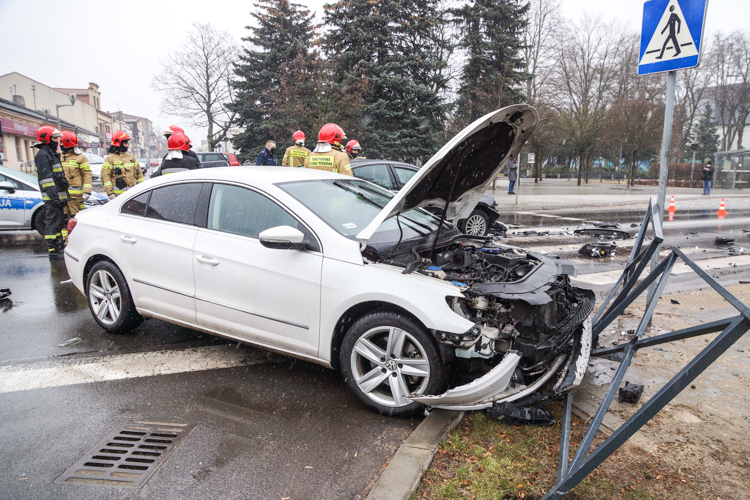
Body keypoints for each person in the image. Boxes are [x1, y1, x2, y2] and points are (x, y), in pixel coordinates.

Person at [32, 126, 69, 259]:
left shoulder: (50, 153)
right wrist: (54, 197)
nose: (58, 141)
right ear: (46, 139)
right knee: (52, 224)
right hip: (52, 197)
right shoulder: (43, 155)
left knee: (58, 223)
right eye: (54, 138)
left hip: (57, 196)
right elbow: (46, 179)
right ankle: (54, 251)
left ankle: (58, 247)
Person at [59, 131, 91, 242]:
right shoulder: (59, 157)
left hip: (76, 198)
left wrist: (87, 191)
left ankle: (78, 242)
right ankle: (66, 242)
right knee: (63, 220)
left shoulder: (81, 158)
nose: (59, 145)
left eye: (61, 143)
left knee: (76, 219)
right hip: (62, 196)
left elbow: (87, 174)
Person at [102, 131, 144, 199]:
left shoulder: (131, 158)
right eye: (125, 143)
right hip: (118, 197)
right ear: (118, 143)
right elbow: (105, 176)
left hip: (133, 196)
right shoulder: (109, 159)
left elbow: (139, 175)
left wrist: (143, 189)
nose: (127, 145)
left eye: (127, 143)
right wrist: (110, 193)